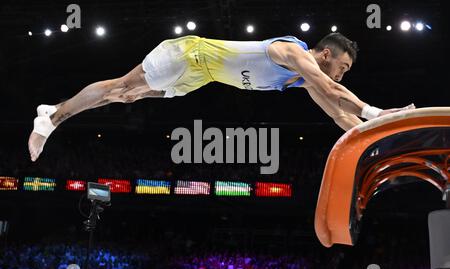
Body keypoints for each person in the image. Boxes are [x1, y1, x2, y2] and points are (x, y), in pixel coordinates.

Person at [28, 32, 414, 162]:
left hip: (198, 77)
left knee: (124, 99)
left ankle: (53, 111)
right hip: (190, 53)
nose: (342, 73)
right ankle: (52, 117)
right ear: (326, 54)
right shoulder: (292, 51)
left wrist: (377, 137)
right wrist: (376, 112)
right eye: (343, 66)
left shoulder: (300, 80)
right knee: (120, 88)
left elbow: (336, 114)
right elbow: (334, 90)